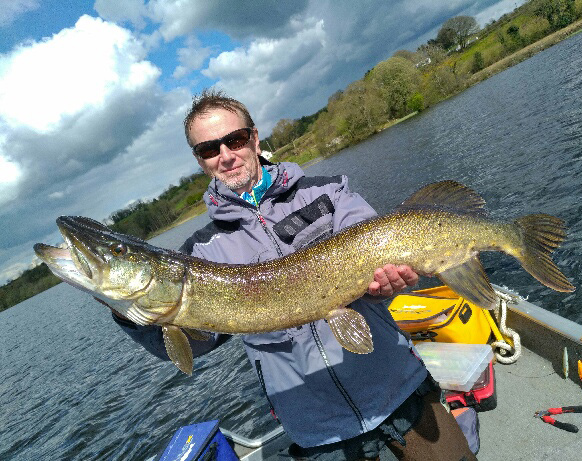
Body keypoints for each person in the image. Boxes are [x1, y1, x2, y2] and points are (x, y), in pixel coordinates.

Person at [110, 89, 477, 460]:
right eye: (209, 149)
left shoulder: (329, 191)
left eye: (234, 140)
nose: (225, 156)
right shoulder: (201, 253)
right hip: (320, 428)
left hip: (397, 388)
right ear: (200, 160)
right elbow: (191, 343)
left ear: (253, 139)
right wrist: (126, 310)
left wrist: (385, 285)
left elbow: (377, 249)